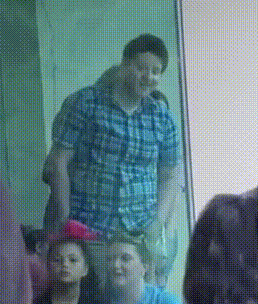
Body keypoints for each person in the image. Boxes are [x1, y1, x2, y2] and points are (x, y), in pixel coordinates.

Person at [42, 33, 182, 283]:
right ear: (124, 64)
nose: (148, 77)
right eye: (141, 68)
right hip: (88, 231)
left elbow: (170, 175)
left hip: (138, 236)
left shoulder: (162, 118)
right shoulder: (85, 104)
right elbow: (57, 162)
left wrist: (157, 224)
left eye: (156, 71)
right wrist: (64, 219)